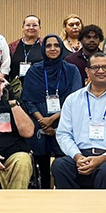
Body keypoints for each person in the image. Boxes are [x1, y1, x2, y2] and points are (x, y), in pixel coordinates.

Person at [54, 53, 106, 189]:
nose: (100, 71)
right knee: (59, 165)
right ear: (87, 71)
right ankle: (73, 209)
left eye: (105, 67)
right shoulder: (72, 100)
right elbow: (63, 134)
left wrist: (103, 158)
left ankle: (101, 210)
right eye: (95, 67)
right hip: (80, 155)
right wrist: (77, 157)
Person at [21, 35, 83, 189]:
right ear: (43, 49)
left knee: (63, 164)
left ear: (62, 48)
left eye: (56, 45)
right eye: (48, 46)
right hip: (39, 123)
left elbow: (74, 98)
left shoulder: (71, 70)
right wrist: (42, 120)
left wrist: (54, 119)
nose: (53, 49)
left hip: (66, 122)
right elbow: (28, 99)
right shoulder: (34, 70)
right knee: (40, 163)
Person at [7, 15, 43, 82]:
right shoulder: (12, 47)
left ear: (39, 28)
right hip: (17, 89)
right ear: (23, 28)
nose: (31, 28)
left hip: (39, 87)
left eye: (35, 25)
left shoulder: (45, 46)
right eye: (28, 25)